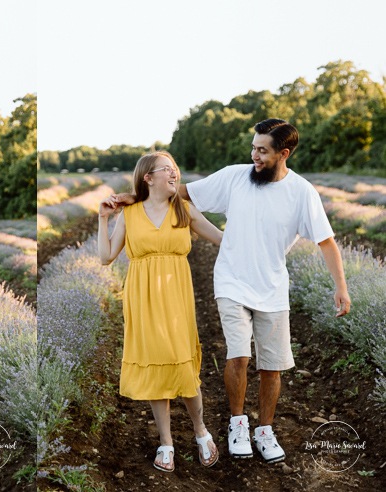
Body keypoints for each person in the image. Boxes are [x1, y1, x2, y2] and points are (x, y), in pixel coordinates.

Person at [115, 119, 351, 464]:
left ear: (283, 153)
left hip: (272, 286)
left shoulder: (302, 193)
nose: (254, 155)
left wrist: (340, 287)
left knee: (272, 367)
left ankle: (264, 429)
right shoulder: (234, 177)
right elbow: (178, 192)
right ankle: (237, 423)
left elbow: (327, 242)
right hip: (231, 281)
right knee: (238, 356)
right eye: (253, 147)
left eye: (262, 150)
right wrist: (134, 198)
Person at [98, 151, 223, 472]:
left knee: (182, 366)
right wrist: (103, 219)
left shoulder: (185, 211)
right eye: (165, 169)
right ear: (147, 177)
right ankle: (166, 442)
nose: (174, 174)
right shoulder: (131, 214)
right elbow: (106, 256)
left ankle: (200, 431)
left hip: (177, 298)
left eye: (175, 169)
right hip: (142, 300)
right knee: (155, 366)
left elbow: (224, 239)